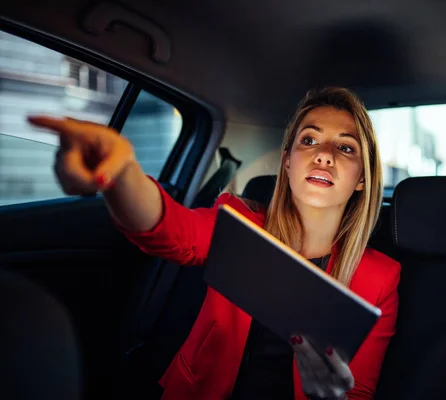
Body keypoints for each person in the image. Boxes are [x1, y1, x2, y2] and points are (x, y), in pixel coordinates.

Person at [28, 87, 401, 400]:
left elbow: (358, 392)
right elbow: (173, 231)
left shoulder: (380, 278)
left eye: (346, 148)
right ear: (286, 163)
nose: (324, 154)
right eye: (309, 139)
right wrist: (122, 173)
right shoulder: (240, 222)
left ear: (363, 180)